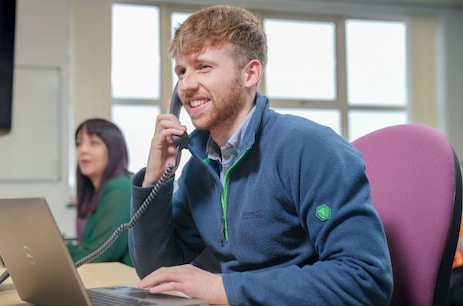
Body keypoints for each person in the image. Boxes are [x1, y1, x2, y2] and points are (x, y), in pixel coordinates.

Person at [128, 5, 393, 305]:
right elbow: (159, 272)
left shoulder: (310, 148)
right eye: (181, 71)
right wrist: (154, 181)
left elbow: (364, 279)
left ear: (249, 74)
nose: (187, 84)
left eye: (203, 67)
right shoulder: (199, 168)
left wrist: (225, 288)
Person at [66, 118, 133, 266]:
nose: (83, 150)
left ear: (113, 150)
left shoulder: (118, 188)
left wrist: (51, 251)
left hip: (128, 282)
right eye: (79, 143)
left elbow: (98, 254)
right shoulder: (99, 190)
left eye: (94, 143)